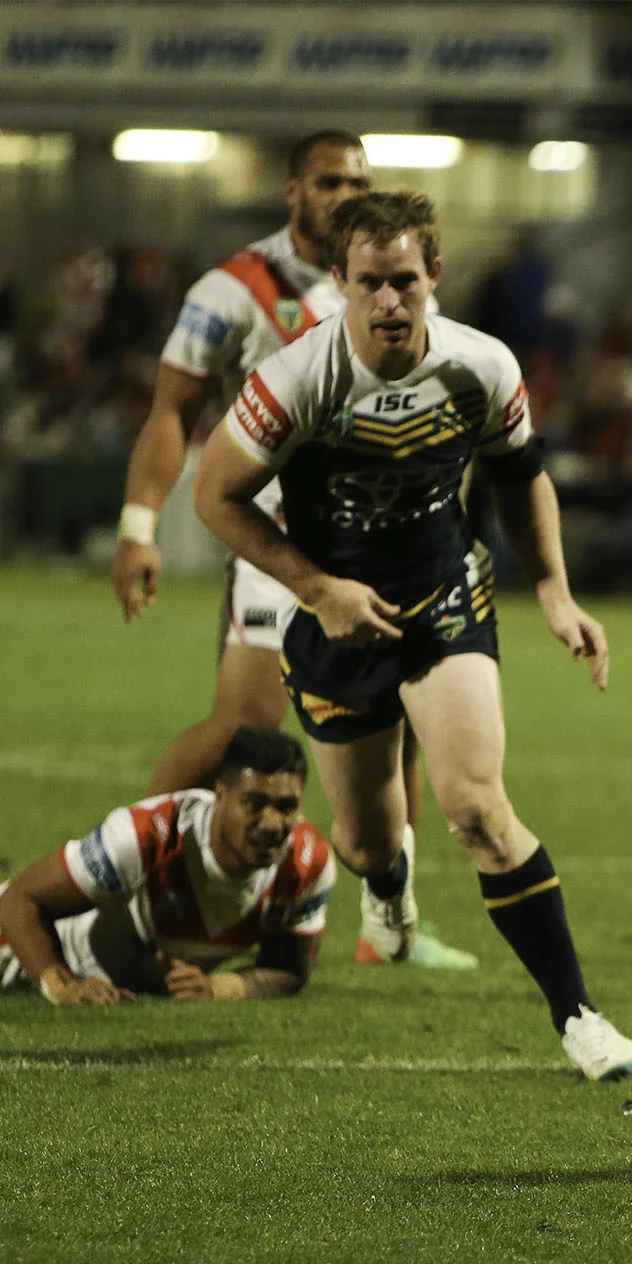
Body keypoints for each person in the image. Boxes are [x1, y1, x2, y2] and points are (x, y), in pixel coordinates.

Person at [187, 190, 632, 1081]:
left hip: (444, 602)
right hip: (334, 624)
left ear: (434, 276)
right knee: (366, 846)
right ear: (342, 285)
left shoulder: (484, 366)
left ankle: (579, 1015)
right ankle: (389, 892)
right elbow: (215, 495)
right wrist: (317, 590)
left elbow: (521, 475)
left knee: (475, 803)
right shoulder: (293, 381)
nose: (389, 301)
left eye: (405, 281)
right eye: (371, 285)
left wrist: (553, 589)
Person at [108, 128, 476, 973]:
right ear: (292, 191)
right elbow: (173, 410)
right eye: (327, 182)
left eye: (357, 180)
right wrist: (139, 525)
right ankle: (132, 866)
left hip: (386, 541)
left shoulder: (397, 275)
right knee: (247, 724)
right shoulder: (236, 288)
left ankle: (392, 919)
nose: (344, 194)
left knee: (408, 722)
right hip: (276, 540)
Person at [0, 728, 331, 1004]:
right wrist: (64, 986)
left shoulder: (306, 864)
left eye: (287, 807)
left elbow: (289, 969)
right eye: (255, 804)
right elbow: (20, 900)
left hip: (122, 978)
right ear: (221, 795)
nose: (273, 824)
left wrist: (218, 988)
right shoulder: (146, 836)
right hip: (20, 948)